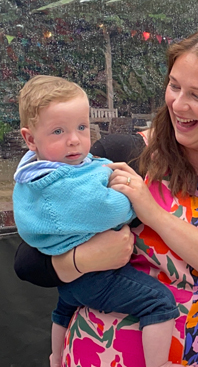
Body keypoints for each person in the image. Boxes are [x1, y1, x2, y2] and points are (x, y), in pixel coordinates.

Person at [14, 26, 198, 366]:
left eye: (197, 96)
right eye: (174, 86)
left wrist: (154, 214)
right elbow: (27, 259)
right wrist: (83, 259)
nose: (178, 103)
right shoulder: (123, 156)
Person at [12, 76, 180, 367]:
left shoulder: (34, 172)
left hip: (70, 282)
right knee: (158, 301)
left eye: (82, 127)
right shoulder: (57, 183)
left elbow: (94, 168)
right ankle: (159, 363)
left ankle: (55, 357)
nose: (74, 139)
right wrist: (135, 199)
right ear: (30, 139)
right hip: (96, 277)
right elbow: (110, 209)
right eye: (58, 131)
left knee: (63, 309)